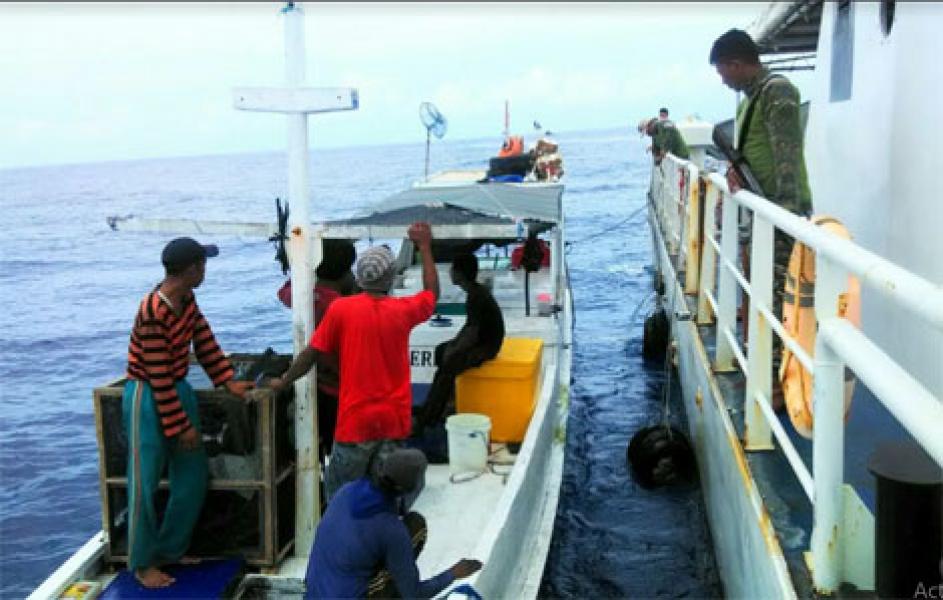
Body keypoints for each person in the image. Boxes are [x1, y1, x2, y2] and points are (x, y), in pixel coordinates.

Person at [270, 222, 440, 501]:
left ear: (359, 278)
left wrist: (284, 381)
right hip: (393, 420)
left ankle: (341, 537)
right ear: (390, 278)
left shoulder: (341, 309)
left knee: (340, 496)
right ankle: (385, 534)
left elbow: (311, 353)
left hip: (356, 421)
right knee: (388, 491)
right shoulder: (403, 311)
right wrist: (425, 247)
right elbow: (432, 293)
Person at [123, 237, 252, 588]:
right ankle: (142, 563)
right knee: (144, 484)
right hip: (147, 396)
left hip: (175, 388)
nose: (205, 270)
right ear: (193, 268)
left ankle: (170, 549)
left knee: (192, 476)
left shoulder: (187, 300)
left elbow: (204, 340)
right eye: (203, 264)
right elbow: (157, 373)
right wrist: (181, 426)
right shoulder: (153, 310)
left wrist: (227, 381)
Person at [709, 28, 813, 408]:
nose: (723, 80)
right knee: (760, 295)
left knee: (777, 301)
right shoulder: (750, 99)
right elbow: (756, 153)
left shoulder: (778, 92)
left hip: (780, 215)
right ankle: (769, 373)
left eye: (723, 72)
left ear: (737, 64)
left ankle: (780, 386)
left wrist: (784, 218)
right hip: (763, 213)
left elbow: (786, 157)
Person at [304, 448, 482, 599]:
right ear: (410, 488)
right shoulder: (391, 530)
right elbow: (414, 594)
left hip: (313, 593)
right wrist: (453, 573)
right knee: (416, 526)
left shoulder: (347, 490)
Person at [276, 239, 357, 460]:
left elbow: (284, 290)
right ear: (345, 272)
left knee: (321, 448)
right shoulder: (343, 306)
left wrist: (305, 269)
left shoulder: (301, 296)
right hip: (341, 390)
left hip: (316, 385)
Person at [415, 254, 505, 434]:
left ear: (459, 273)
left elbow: (473, 332)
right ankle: (437, 403)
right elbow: (470, 327)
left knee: (449, 364)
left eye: (452, 269)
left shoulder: (477, 296)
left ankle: (429, 416)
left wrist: (455, 350)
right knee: (442, 352)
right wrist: (452, 346)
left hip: (487, 347)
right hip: (481, 340)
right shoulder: (475, 292)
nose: (449, 272)